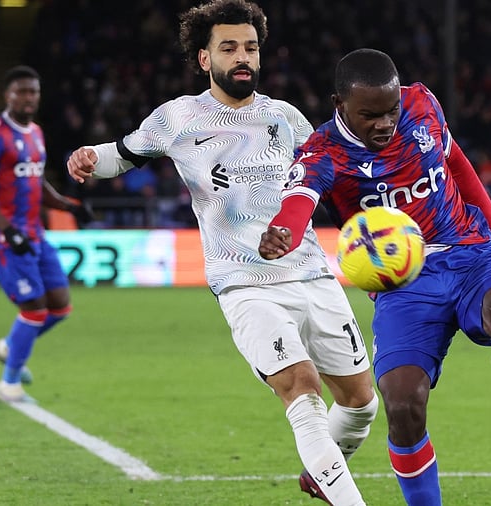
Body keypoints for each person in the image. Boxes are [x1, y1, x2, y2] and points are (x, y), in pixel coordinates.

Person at [65, 2, 376, 504]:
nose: (242, 57)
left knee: (361, 403)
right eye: (229, 48)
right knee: (301, 387)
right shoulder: (179, 117)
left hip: (313, 274)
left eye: (250, 47)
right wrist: (87, 158)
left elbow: (334, 178)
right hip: (245, 284)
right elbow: (121, 155)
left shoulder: (285, 117)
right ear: (204, 58)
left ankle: (322, 472)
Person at [259, 48, 491, 505]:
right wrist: (284, 230)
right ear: (339, 104)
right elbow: (300, 198)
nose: (385, 124)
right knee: (401, 404)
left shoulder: (421, 104)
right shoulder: (323, 153)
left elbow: (455, 161)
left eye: (391, 111)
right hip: (403, 284)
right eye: (370, 115)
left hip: (472, 249)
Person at [0, 65, 93, 403]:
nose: (28, 97)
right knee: (34, 308)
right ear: (6, 96)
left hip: (34, 234)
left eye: (33, 92)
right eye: (21, 91)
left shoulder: (35, 133)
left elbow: (36, 181)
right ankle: (10, 384)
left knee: (60, 306)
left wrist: (69, 207)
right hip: (4, 237)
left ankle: (10, 346)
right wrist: (8, 230)